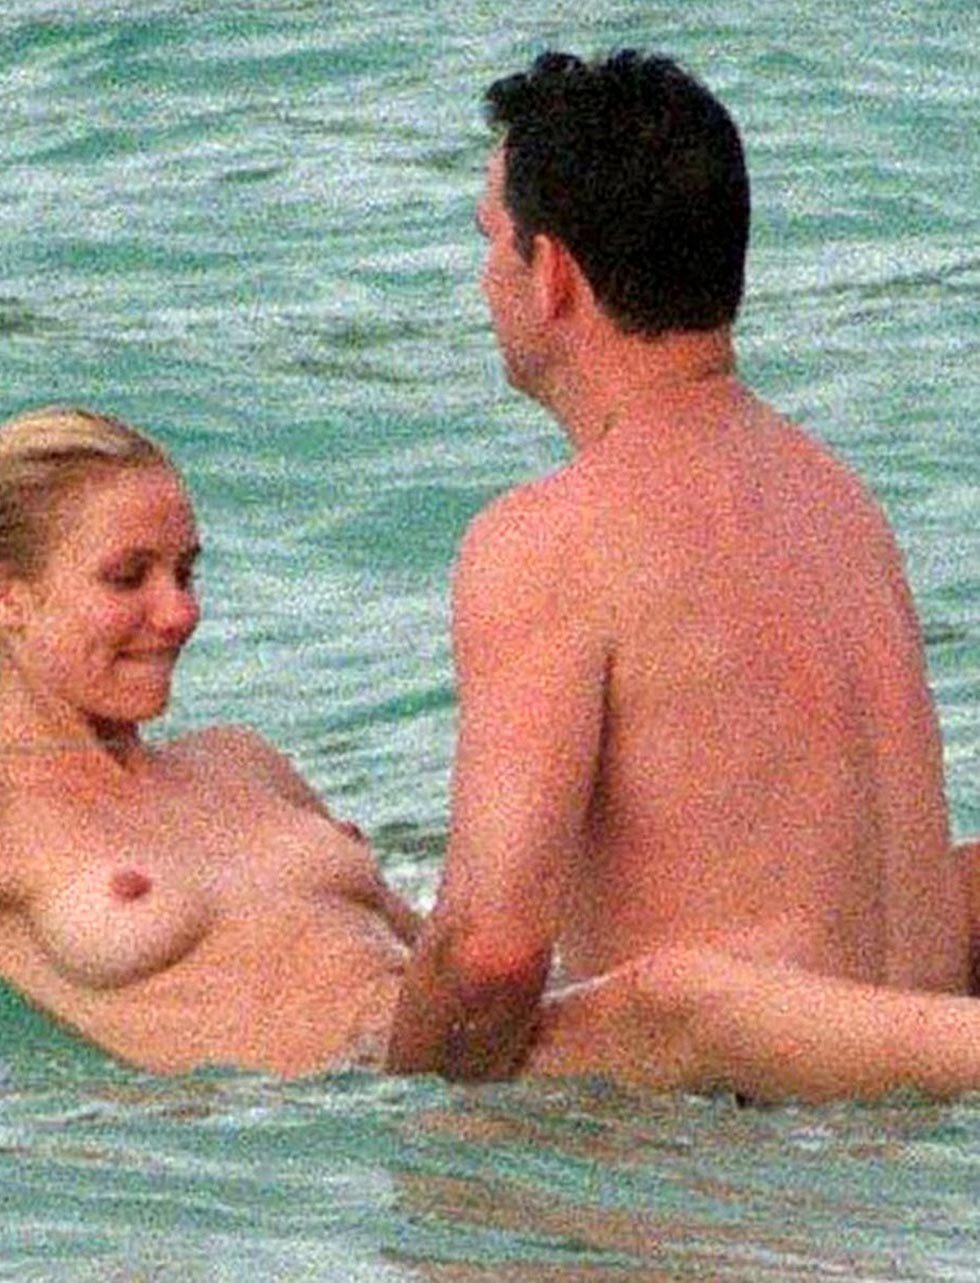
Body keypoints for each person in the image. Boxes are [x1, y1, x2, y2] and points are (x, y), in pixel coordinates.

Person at [0, 405, 980, 1103]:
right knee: (683, 1001)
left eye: (187, 570)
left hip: (451, 1053)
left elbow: (454, 951)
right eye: (128, 576)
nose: (178, 610)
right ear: (4, 594)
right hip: (368, 1098)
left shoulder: (241, 761)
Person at [387, 49, 970, 1080]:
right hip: (899, 1141)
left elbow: (488, 953)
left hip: (733, 1145)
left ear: (552, 273)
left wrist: (398, 1125)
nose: (483, 280)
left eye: (489, 242)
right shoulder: (840, 504)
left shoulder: (551, 537)